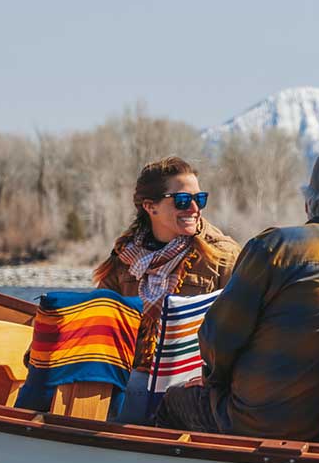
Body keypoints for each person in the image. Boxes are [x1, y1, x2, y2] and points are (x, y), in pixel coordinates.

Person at [156, 147, 319, 442]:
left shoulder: (275, 247)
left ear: (309, 203)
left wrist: (213, 382)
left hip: (258, 423)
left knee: (172, 401)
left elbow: (218, 336)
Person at [93, 156, 240, 422]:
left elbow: (245, 330)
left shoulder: (223, 256)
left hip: (196, 384)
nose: (194, 208)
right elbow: (100, 322)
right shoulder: (125, 256)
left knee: (132, 387)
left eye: (200, 199)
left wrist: (212, 377)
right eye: (183, 201)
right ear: (150, 207)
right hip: (134, 374)